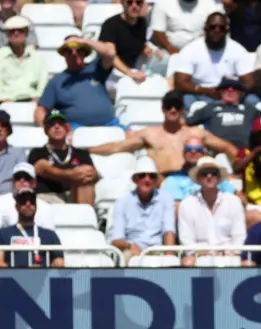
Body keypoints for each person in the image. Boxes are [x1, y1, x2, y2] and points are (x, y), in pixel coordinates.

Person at [89, 91, 237, 174]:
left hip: (193, 179)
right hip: (163, 181)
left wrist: (242, 167)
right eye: (169, 106)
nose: (173, 110)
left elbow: (226, 147)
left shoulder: (196, 133)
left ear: (182, 110)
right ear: (162, 109)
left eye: (177, 106)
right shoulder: (149, 134)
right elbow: (116, 147)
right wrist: (88, 150)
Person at [34, 35, 131, 135]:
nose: (74, 54)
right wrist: (48, 131)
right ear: (64, 55)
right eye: (69, 51)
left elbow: (110, 53)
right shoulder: (57, 81)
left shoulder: (96, 69)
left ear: (85, 53)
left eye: (79, 50)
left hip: (110, 125)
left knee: (137, 136)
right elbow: (41, 110)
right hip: (76, 130)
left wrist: (84, 41)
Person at [186, 77, 261, 148]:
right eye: (226, 88)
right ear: (220, 92)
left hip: (245, 151)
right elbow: (187, 123)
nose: (230, 90)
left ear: (240, 93)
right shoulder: (209, 108)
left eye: (235, 89)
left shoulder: (248, 109)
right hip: (217, 150)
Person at [173, 12, 258, 110]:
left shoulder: (238, 50)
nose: (217, 30)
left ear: (227, 30)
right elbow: (179, 83)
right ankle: (189, 125)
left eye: (221, 28)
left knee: (252, 100)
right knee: (185, 100)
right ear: (205, 29)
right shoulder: (190, 50)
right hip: (199, 94)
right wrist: (203, 90)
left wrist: (229, 92)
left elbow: (250, 83)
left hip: (230, 93)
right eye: (212, 27)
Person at [178, 156, 246, 267]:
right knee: (187, 262)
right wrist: (207, 253)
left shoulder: (234, 201)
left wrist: (228, 253)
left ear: (219, 178)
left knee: (248, 264)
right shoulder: (186, 205)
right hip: (199, 256)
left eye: (213, 173)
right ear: (198, 178)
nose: (209, 176)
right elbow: (187, 241)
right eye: (204, 173)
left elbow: (239, 237)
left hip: (229, 256)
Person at [109, 156, 176, 264]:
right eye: (142, 175)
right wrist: (130, 246)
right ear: (135, 179)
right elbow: (116, 239)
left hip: (157, 251)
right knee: (128, 257)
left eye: (152, 176)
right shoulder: (122, 200)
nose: (147, 179)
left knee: (171, 260)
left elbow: (169, 231)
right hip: (130, 250)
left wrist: (169, 256)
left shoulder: (166, 198)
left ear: (156, 181)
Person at [99, 0, 166, 92]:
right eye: (130, 2)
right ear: (122, 3)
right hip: (110, 75)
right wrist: (130, 73)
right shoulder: (110, 24)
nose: (134, 6)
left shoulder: (142, 23)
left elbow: (136, 41)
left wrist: (147, 48)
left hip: (132, 71)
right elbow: (110, 55)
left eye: (138, 2)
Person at [28, 109, 98, 205]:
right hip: (47, 196)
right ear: (45, 130)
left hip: (73, 194)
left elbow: (92, 173)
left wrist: (92, 175)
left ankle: (84, 219)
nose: (56, 127)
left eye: (60, 123)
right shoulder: (37, 152)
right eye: (52, 124)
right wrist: (72, 174)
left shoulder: (81, 153)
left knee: (85, 183)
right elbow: (43, 169)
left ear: (67, 128)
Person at [162, 136, 236, 213]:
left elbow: (239, 199)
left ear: (205, 153)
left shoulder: (215, 177)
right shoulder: (173, 180)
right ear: (183, 153)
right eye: (188, 149)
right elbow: (177, 210)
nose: (193, 151)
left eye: (198, 149)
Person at [0, 188, 64, 268]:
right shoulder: (3, 233)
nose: (28, 204)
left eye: (32, 201)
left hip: (42, 279)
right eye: (23, 201)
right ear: (17, 207)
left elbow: (59, 263)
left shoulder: (50, 235)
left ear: (36, 207)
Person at [150, 0, 219, 55]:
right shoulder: (163, 4)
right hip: (169, 53)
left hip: (201, 54)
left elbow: (216, 31)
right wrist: (171, 49)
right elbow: (158, 32)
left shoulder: (210, 6)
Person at [0, 15, 47, 103]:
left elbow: (43, 85)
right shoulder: (1, 57)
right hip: (5, 104)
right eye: (12, 31)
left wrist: (36, 99)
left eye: (20, 30)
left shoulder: (37, 58)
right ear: (7, 34)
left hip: (33, 103)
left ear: (27, 33)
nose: (16, 33)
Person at [0, 163, 55, 229]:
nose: (22, 180)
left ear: (34, 183)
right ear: (13, 182)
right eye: (18, 177)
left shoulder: (45, 207)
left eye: (27, 178)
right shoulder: (2, 202)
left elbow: (49, 236)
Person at [0, 110, 26, 194]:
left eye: (3, 125)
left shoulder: (18, 153)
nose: (0, 129)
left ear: (8, 130)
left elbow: (22, 182)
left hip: (10, 200)